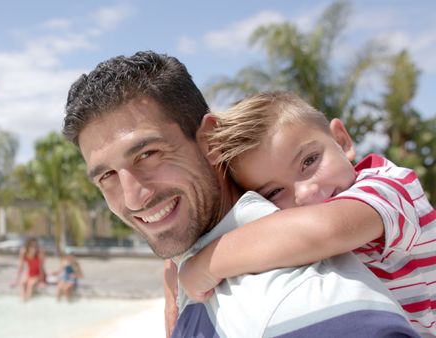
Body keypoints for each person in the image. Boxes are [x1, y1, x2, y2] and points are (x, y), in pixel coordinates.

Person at [63, 50, 420, 337]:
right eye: (107, 175)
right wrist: (179, 269)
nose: (133, 197)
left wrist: (202, 265)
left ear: (209, 140)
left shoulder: (298, 301)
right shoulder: (202, 255)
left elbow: (325, 228)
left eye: (148, 154)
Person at [178, 91, 436, 335]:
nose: (304, 193)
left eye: (309, 161)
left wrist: (205, 264)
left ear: (342, 141)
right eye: (274, 192)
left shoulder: (392, 186)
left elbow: (325, 229)